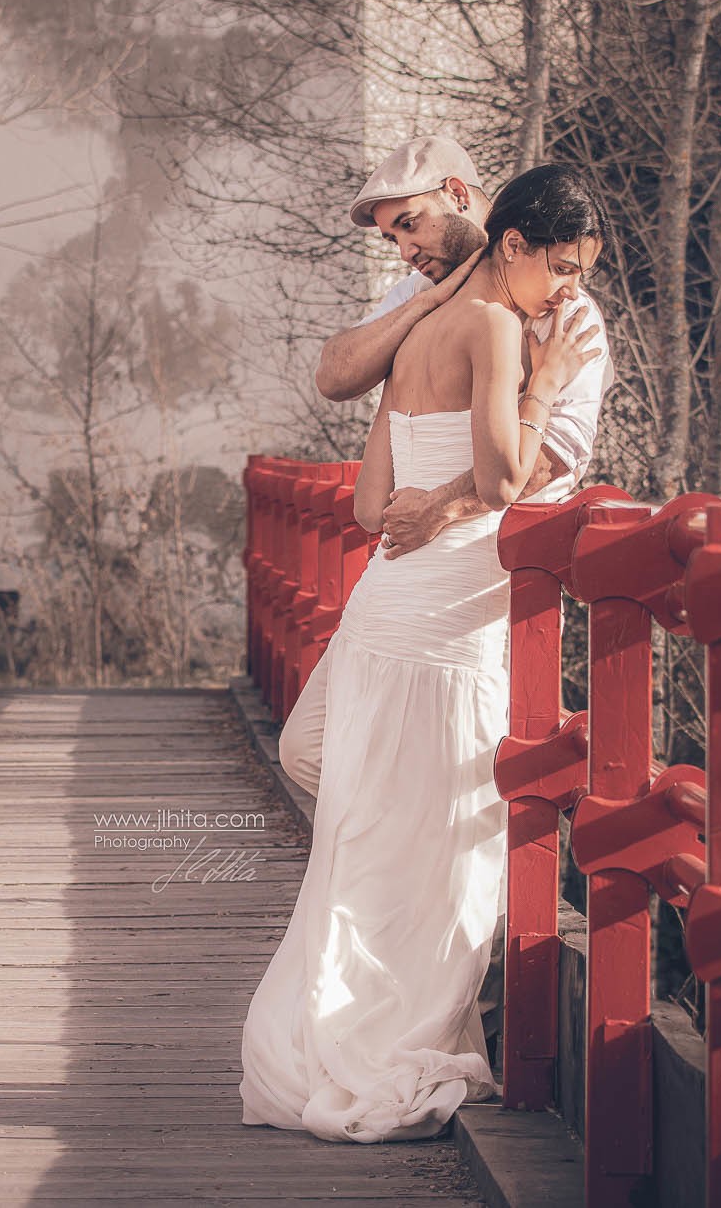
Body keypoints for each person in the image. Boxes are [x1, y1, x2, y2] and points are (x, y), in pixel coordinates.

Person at [238, 164, 608, 1143]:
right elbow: (500, 472)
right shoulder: (495, 329)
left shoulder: (421, 332)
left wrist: (435, 493)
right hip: (453, 601)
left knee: (387, 804)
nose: (566, 289)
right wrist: (547, 384)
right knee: (450, 816)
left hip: (391, 595)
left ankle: (349, 1005)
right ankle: (394, 1016)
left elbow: (366, 507)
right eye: (558, 267)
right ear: (514, 246)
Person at [280, 134, 614, 796]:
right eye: (393, 239)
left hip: (491, 588)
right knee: (346, 760)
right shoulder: (418, 296)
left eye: (411, 224)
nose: (406, 250)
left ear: (460, 196)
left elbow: (550, 459)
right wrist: (425, 305)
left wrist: (440, 506)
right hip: (409, 581)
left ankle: (432, 892)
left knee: (464, 782)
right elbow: (334, 375)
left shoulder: (565, 308)